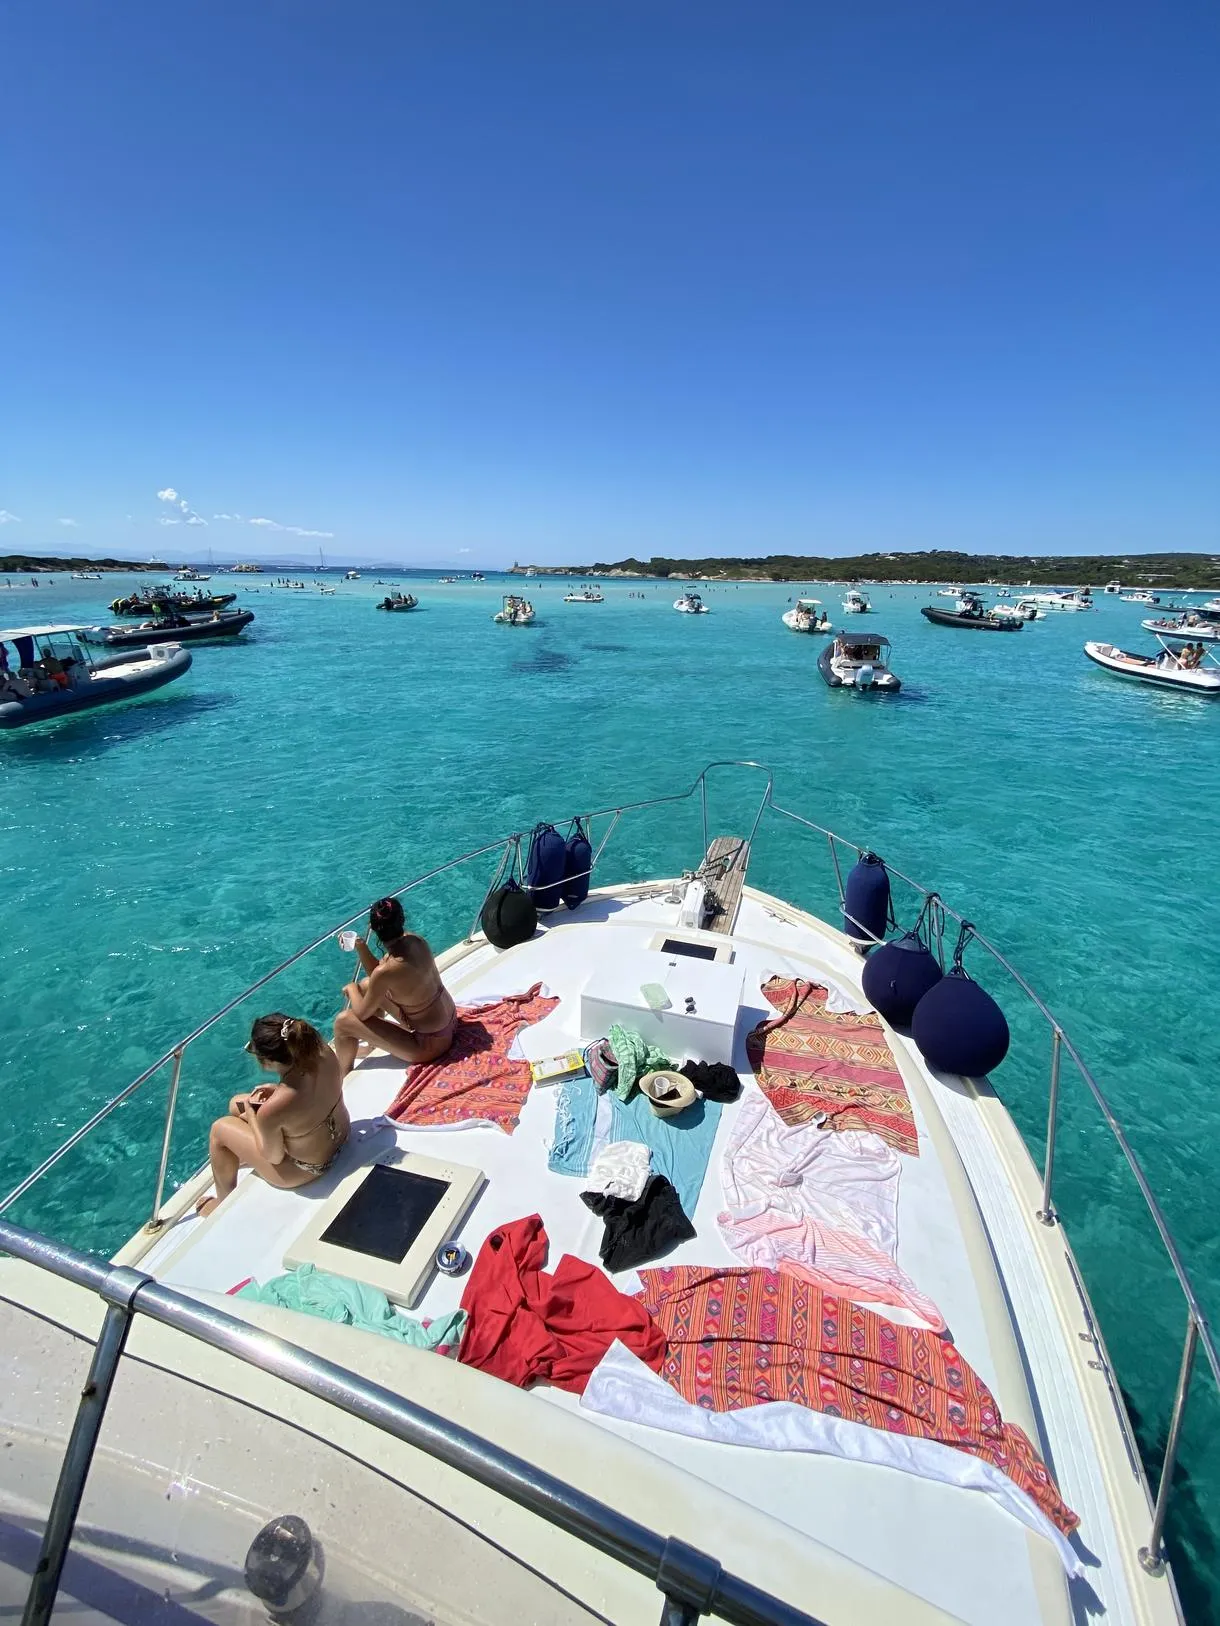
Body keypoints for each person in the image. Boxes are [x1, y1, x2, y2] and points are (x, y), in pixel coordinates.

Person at [196, 1014, 349, 1216]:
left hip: (308, 1169)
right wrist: (277, 1091)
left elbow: (274, 1157)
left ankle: (221, 1207)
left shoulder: (274, 1108)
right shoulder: (324, 1053)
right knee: (235, 1104)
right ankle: (242, 1151)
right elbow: (310, 1096)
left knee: (220, 1129)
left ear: (268, 1060)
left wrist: (254, 1115)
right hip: (341, 1137)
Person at [332, 896, 457, 1077]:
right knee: (366, 985)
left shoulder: (387, 970)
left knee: (343, 1022)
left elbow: (361, 1014)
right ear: (402, 919)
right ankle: (373, 1044)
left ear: (373, 928)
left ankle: (343, 1075)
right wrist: (360, 945)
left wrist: (351, 989)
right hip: (449, 1023)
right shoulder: (416, 940)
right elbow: (379, 976)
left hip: (430, 1044)